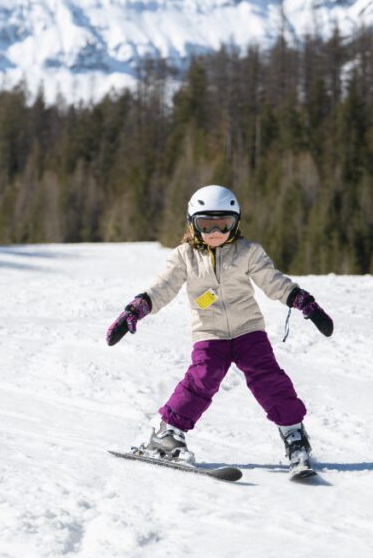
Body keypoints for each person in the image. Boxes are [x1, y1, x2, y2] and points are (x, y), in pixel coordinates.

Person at [106, 185, 334, 475]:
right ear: (192, 223)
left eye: (223, 224)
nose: (215, 232)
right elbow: (163, 287)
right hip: (209, 333)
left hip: (248, 330)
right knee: (203, 377)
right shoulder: (184, 257)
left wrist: (302, 300)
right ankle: (167, 434)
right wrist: (139, 306)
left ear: (235, 222)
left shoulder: (248, 252)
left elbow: (272, 280)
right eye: (206, 224)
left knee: (268, 377)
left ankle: (294, 435)